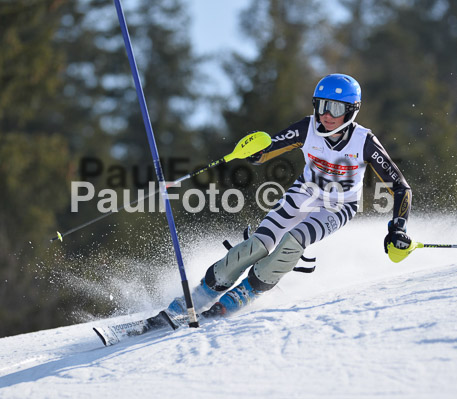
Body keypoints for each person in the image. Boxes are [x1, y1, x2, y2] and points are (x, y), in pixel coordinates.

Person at [164, 73, 413, 323]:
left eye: (335, 108)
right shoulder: (308, 128)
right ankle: (197, 297)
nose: (325, 115)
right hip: (302, 194)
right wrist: (255, 152)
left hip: (339, 206)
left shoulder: (364, 142)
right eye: (321, 105)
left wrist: (398, 228)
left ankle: (242, 295)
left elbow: (401, 188)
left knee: (293, 243)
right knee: (255, 246)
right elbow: (267, 150)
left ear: (351, 111)